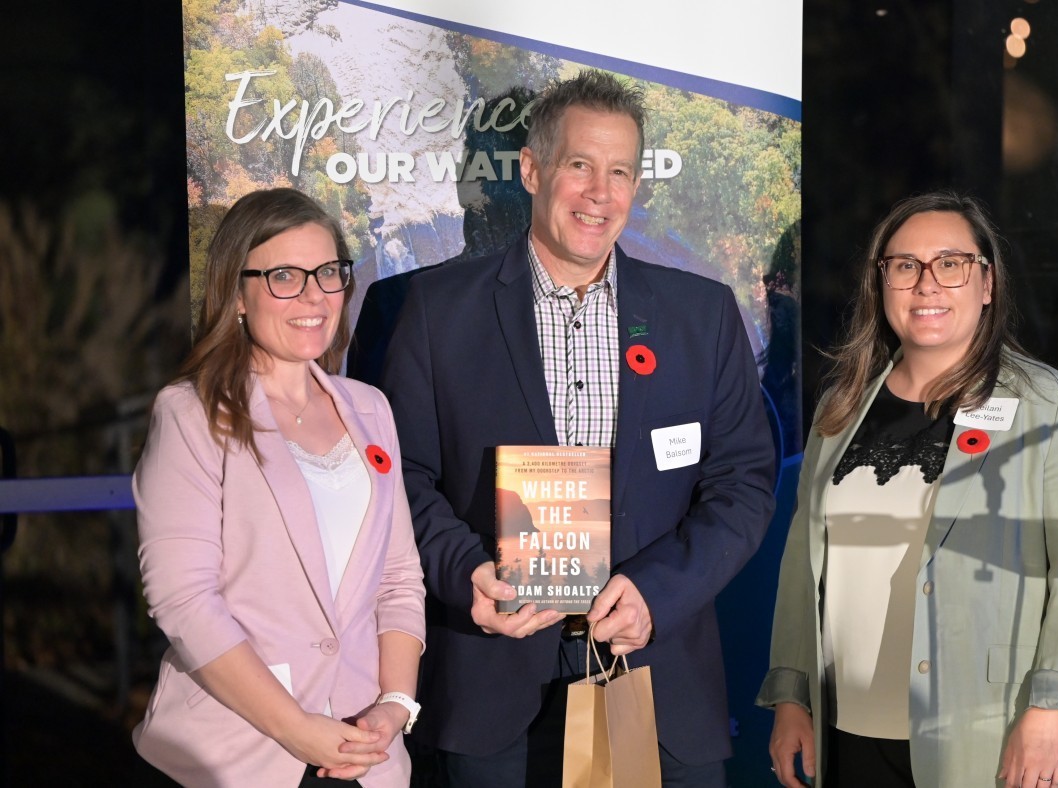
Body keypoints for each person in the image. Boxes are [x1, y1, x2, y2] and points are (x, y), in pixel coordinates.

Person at [377, 69, 775, 787]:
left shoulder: (702, 316)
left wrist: (659, 592)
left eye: (620, 171)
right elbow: (399, 477)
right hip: (493, 688)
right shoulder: (438, 313)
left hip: (655, 683)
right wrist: (464, 571)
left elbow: (743, 484)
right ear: (531, 170)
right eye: (580, 166)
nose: (600, 194)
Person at [759, 191, 1058, 788]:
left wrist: (1053, 707)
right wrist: (791, 693)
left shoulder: (1052, 405)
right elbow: (803, 563)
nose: (926, 284)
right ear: (882, 284)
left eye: (950, 264)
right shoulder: (840, 407)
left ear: (987, 283)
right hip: (846, 736)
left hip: (987, 736)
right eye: (905, 266)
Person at [131, 188, 427, 787]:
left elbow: (398, 578)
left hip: (366, 757)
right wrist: (294, 726)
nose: (314, 296)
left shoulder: (370, 409)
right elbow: (183, 599)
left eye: (328, 273)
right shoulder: (191, 414)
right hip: (236, 756)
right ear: (236, 294)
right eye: (285, 276)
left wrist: (396, 705)